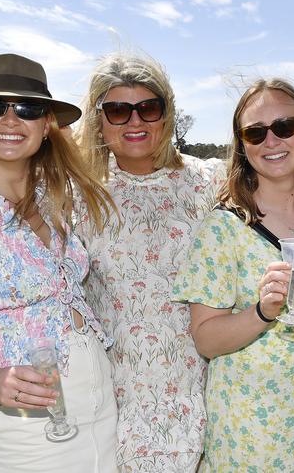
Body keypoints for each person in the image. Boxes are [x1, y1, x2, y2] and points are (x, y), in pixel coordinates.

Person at [0, 53, 119, 472]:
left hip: (104, 412)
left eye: (29, 109)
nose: (11, 119)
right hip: (30, 427)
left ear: (47, 124)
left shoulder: (56, 198)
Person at [172, 78, 294, 472]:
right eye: (256, 133)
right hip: (252, 430)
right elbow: (206, 339)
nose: (272, 141)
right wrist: (262, 311)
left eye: (284, 127)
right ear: (243, 145)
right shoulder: (223, 228)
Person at [74, 52, 225, 473]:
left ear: (167, 114)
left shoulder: (212, 183)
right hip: (115, 402)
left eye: (148, 108)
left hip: (209, 390)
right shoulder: (76, 196)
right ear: (98, 120)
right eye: (118, 110)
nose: (135, 122)